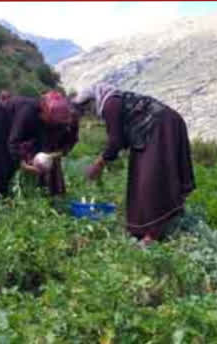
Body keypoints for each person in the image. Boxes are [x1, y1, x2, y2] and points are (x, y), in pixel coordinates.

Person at [72, 84, 196, 244]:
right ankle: (141, 229)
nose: (87, 111)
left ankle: (152, 234)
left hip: (161, 126)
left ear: (93, 100)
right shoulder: (112, 102)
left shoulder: (110, 104)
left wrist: (99, 164)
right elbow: (121, 139)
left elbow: (115, 141)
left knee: (150, 180)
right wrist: (104, 159)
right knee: (138, 178)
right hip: (149, 130)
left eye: (86, 107)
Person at [0, 90, 75, 200]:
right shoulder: (28, 111)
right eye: (51, 121)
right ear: (44, 110)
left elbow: (41, 144)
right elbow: (14, 142)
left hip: (4, 132)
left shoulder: (45, 121)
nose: (52, 125)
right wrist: (23, 164)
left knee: (4, 169)